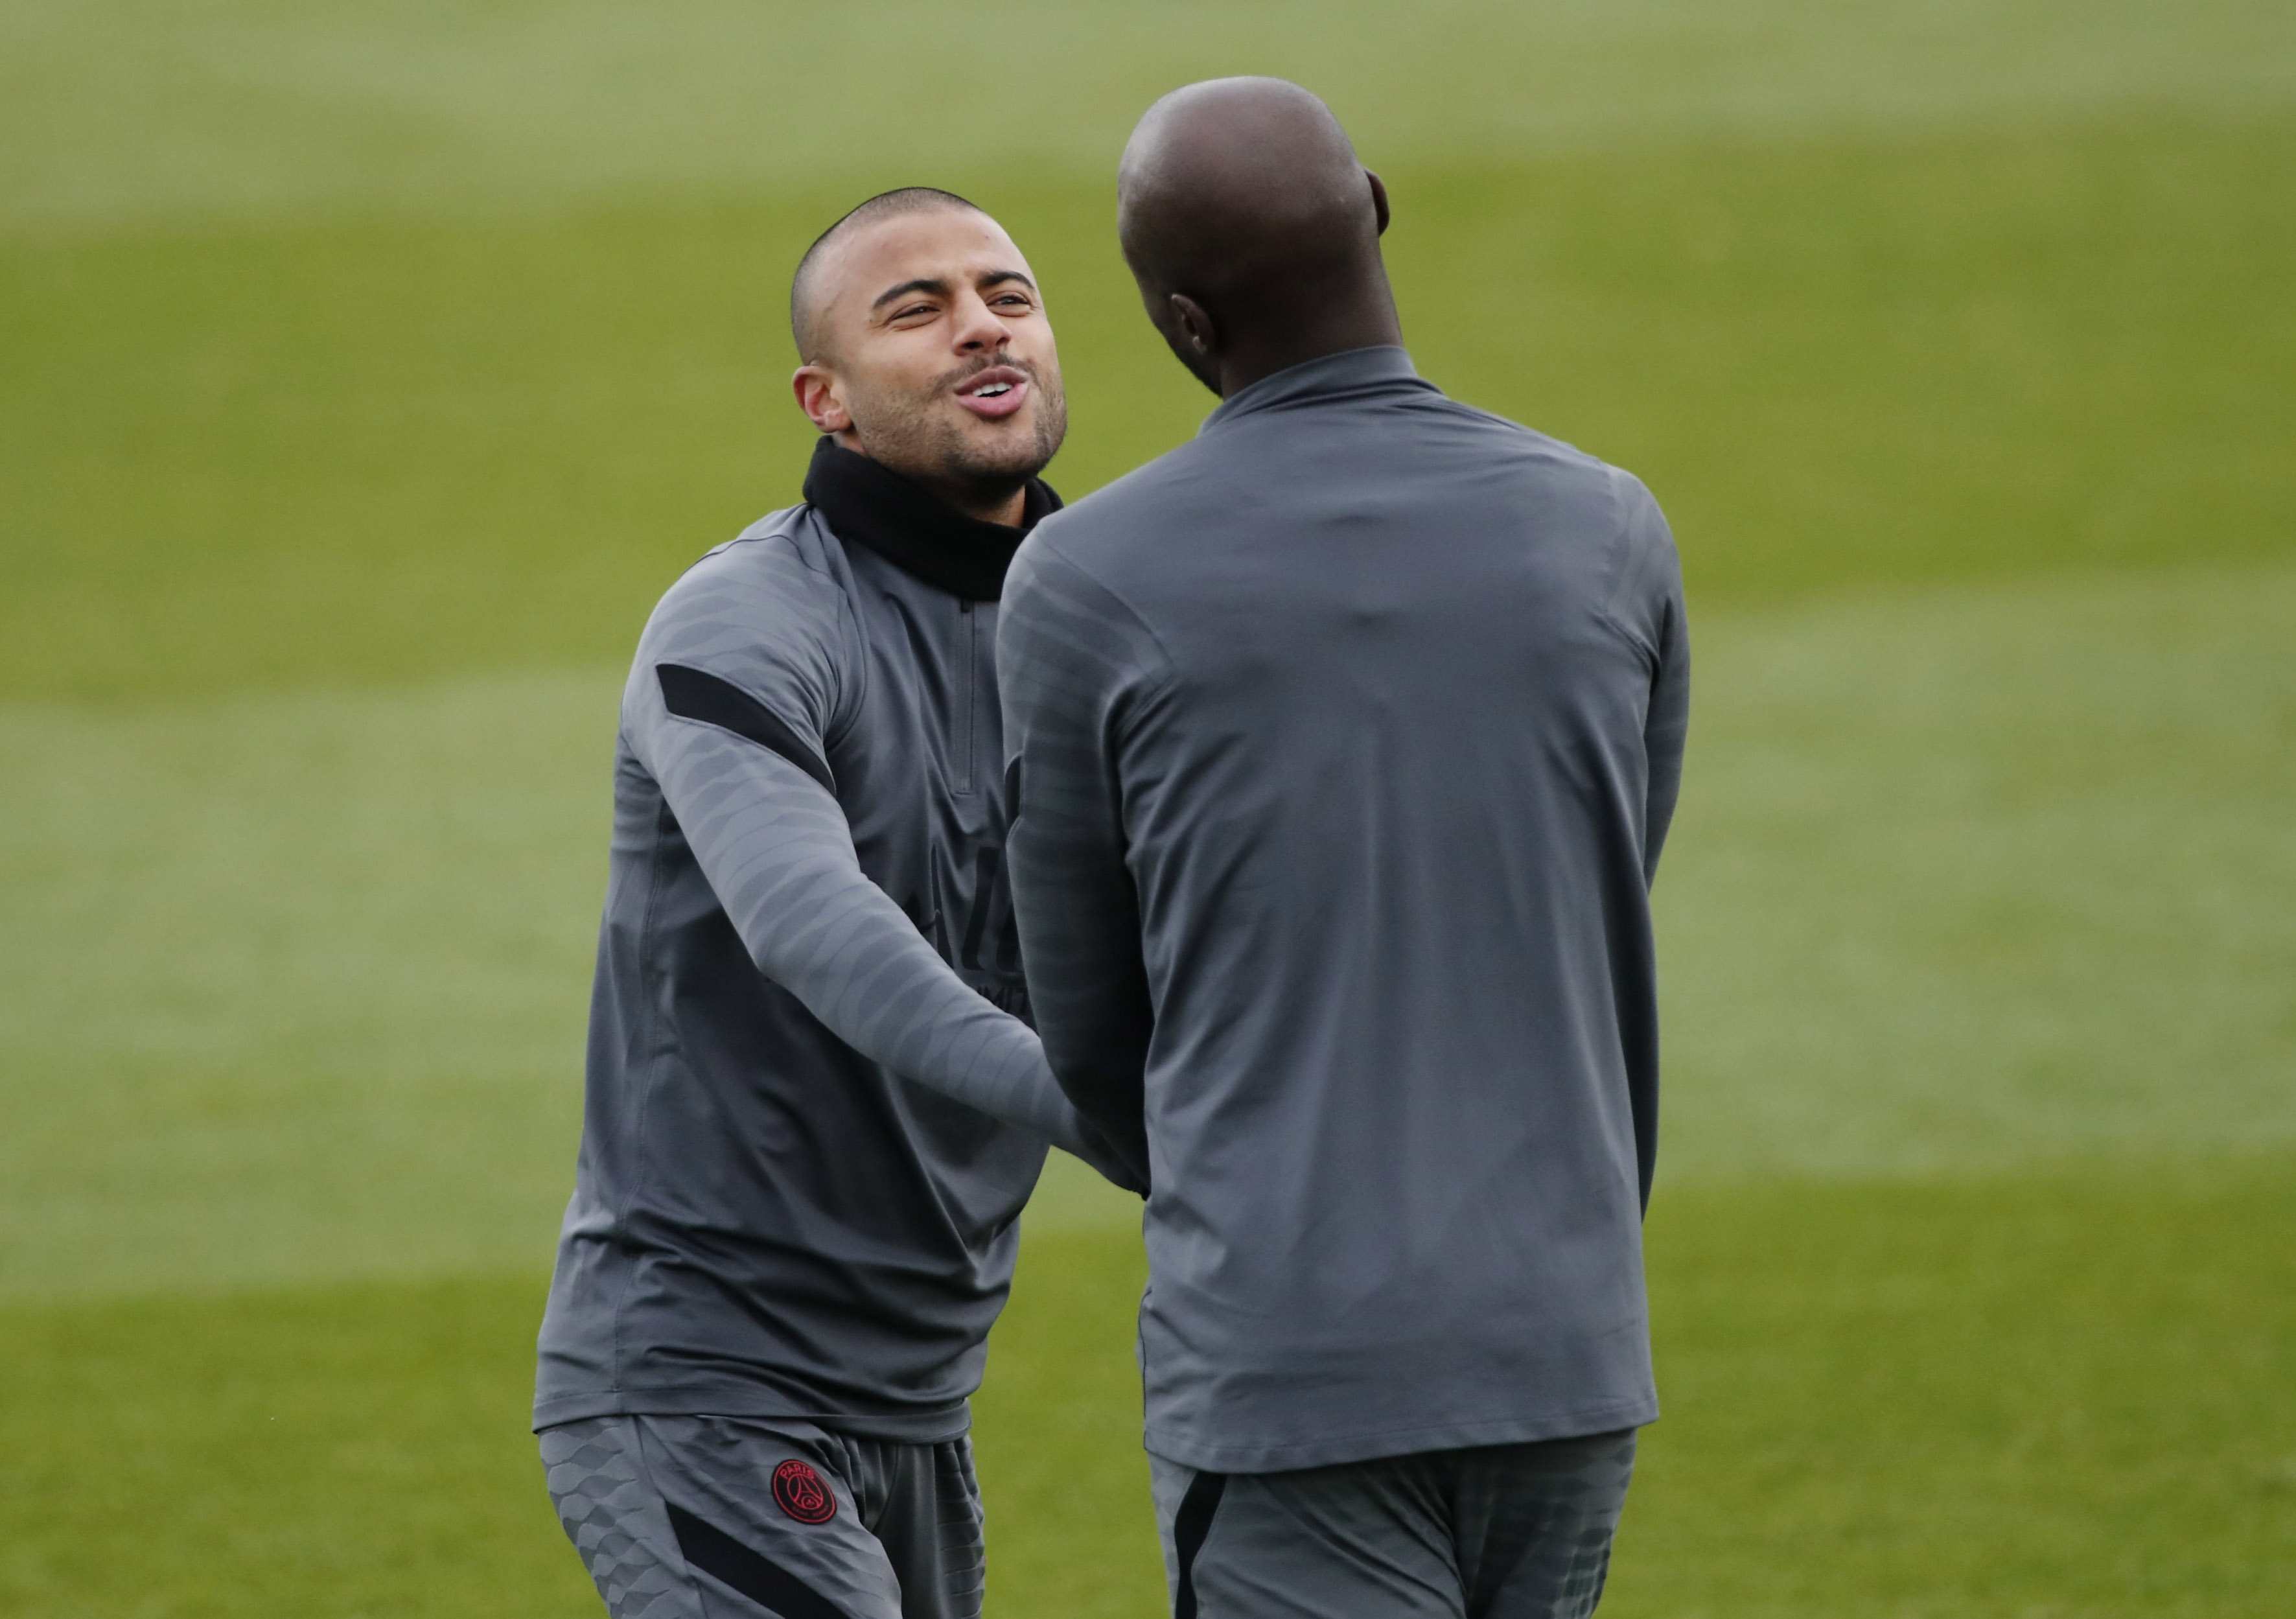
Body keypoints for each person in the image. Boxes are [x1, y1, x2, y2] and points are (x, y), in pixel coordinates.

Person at [997, 80, 1691, 1619]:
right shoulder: (1608, 530)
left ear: (1183, 321)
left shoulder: (1083, 576)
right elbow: (1594, 890)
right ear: (1373, 209)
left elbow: (1092, 1035)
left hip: (1290, 1362)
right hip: (1560, 1348)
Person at [534, 186, 1142, 1619]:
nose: (980, 326)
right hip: (705, 1373)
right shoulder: (746, 620)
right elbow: (810, 923)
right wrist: (1114, 1115)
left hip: (922, 1391)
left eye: (1006, 293)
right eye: (915, 308)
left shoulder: (1107, 629)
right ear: (828, 400)